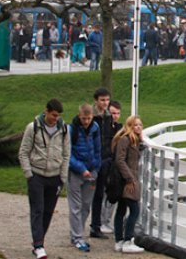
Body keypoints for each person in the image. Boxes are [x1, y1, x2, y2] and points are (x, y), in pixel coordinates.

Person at [18, 98, 71, 259]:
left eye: (58, 116)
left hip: (55, 176)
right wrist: (29, 174)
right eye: (53, 115)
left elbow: (66, 153)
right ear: (46, 111)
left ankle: (39, 241)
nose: (56, 118)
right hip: (37, 175)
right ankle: (38, 245)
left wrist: (63, 177)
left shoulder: (64, 129)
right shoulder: (33, 127)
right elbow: (23, 152)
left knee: (48, 211)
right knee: (38, 210)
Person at [67, 103, 101, 252]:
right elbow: (67, 154)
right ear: (79, 116)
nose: (86, 121)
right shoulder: (71, 130)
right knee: (75, 205)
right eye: (83, 118)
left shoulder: (95, 129)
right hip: (75, 172)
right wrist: (81, 168)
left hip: (91, 171)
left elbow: (98, 149)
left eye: (88, 118)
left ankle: (77, 232)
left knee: (86, 205)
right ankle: (77, 237)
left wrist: (95, 168)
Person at [112, 115, 145, 254]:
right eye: (135, 125)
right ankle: (127, 240)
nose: (138, 127)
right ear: (129, 126)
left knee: (121, 209)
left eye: (140, 125)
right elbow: (120, 160)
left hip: (128, 178)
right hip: (127, 180)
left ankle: (119, 240)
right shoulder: (126, 139)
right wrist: (130, 179)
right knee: (134, 210)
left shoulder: (135, 141)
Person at [90, 90, 119, 239]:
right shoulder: (92, 117)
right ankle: (90, 225)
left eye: (107, 100)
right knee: (90, 195)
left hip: (105, 159)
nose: (105, 103)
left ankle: (96, 226)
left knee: (101, 193)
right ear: (96, 101)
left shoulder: (108, 117)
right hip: (93, 160)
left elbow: (108, 138)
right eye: (102, 100)